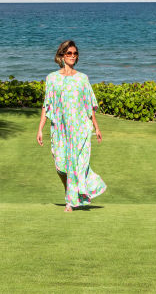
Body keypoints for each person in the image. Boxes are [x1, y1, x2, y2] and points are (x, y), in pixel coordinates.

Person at [36, 40, 106, 211]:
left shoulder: (82, 78)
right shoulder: (52, 78)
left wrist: (96, 127)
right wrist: (40, 128)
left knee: (75, 163)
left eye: (75, 54)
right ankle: (71, 191)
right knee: (61, 166)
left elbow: (89, 105)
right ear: (62, 55)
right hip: (59, 128)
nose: (73, 56)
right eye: (69, 53)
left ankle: (70, 201)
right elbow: (47, 105)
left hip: (79, 128)